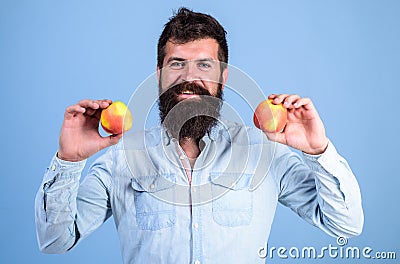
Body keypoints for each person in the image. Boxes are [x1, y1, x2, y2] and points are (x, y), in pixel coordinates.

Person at [35, 7, 363, 263]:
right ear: (159, 74)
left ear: (224, 76)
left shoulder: (264, 151)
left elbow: (346, 225)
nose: (189, 77)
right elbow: (54, 241)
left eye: (204, 65)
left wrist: (318, 151)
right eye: (177, 64)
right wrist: (69, 162)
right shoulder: (123, 158)